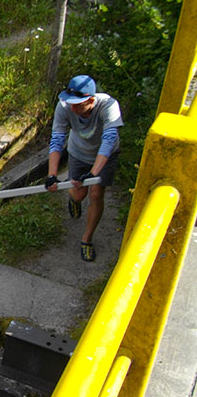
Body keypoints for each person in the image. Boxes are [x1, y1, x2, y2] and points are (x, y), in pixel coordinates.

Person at [45, 74, 123, 262]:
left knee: (96, 195)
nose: (72, 108)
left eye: (78, 104)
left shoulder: (109, 106)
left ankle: (86, 239)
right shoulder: (64, 106)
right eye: (70, 103)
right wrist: (52, 175)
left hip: (105, 156)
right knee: (79, 194)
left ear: (90, 100)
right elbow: (57, 139)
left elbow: (109, 140)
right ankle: (74, 199)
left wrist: (94, 172)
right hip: (78, 152)